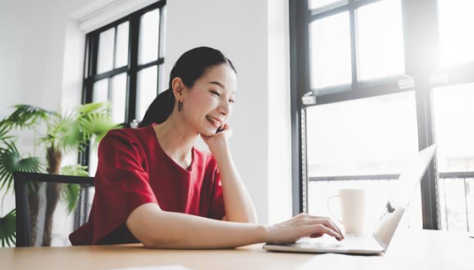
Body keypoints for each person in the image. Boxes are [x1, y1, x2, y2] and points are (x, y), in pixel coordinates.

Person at [69, 46, 344, 248]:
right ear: (179, 89)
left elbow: (244, 231)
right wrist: (270, 231)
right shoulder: (122, 145)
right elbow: (149, 226)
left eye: (232, 100)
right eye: (215, 92)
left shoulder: (208, 164)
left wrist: (221, 151)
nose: (225, 109)